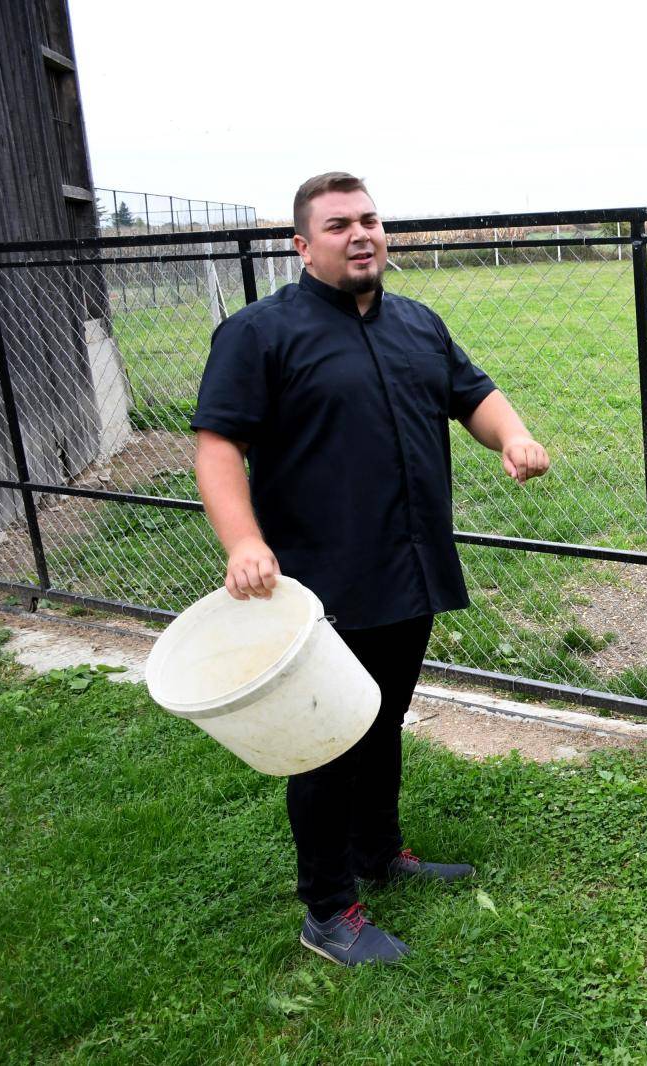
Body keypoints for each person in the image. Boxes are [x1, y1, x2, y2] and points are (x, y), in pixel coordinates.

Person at [192, 172, 549, 966]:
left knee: (381, 721)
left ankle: (379, 852)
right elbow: (218, 445)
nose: (360, 235)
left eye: (369, 220)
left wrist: (514, 437)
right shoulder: (260, 334)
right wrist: (243, 543)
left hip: (408, 567)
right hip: (320, 583)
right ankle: (326, 910)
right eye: (338, 225)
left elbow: (475, 395)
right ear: (302, 245)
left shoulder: (418, 324)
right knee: (323, 742)